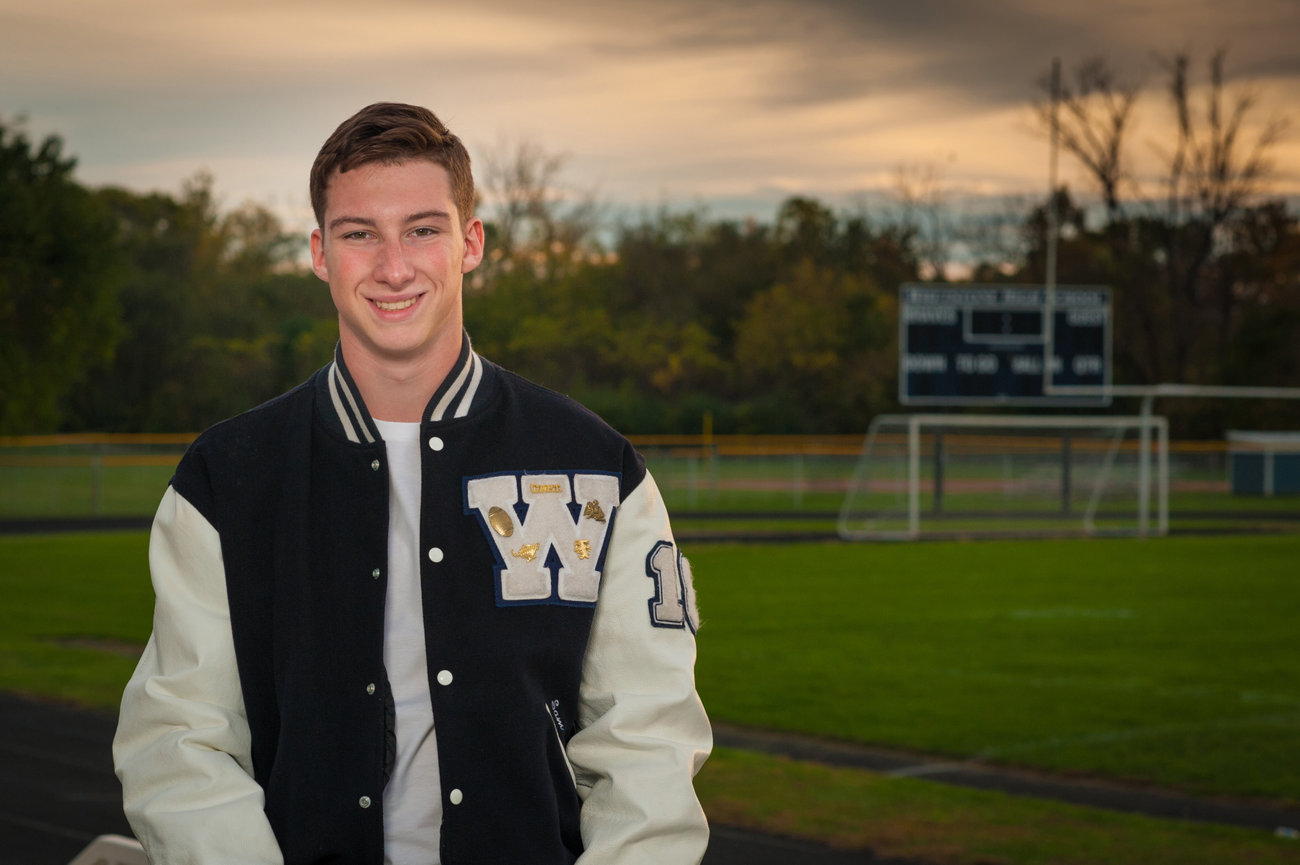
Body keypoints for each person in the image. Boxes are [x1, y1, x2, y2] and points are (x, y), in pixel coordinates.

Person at [113, 102, 711, 865]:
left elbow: (648, 743)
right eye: (359, 233)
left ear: (471, 243)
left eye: (423, 229)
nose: (393, 267)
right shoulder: (227, 477)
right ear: (320, 253)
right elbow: (178, 740)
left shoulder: (596, 465)